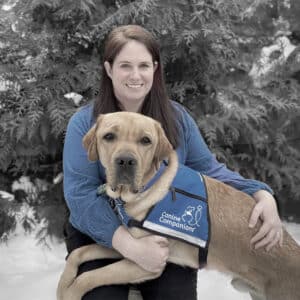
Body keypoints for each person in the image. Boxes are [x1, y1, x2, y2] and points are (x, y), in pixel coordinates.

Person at [62, 24, 283, 300]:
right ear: (109, 69)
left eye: (144, 66)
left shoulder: (176, 118)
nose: (135, 75)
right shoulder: (85, 122)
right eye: (125, 66)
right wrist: (129, 246)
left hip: (167, 226)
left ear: (155, 70)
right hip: (100, 229)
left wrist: (262, 194)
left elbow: (209, 170)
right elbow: (80, 195)